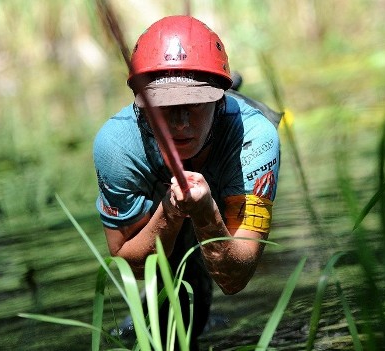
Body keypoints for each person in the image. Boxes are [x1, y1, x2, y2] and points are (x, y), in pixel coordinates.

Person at [92, 15, 281, 349]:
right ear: (143, 103)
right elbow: (130, 264)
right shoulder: (117, 145)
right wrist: (171, 212)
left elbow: (235, 278)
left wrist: (207, 214)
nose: (180, 122)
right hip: (159, 196)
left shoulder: (255, 138)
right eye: (166, 107)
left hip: (226, 167)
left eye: (193, 103)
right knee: (169, 308)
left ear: (220, 99)